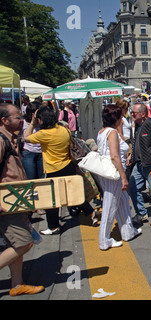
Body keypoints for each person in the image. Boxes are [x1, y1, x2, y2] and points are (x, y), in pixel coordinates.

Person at [23, 106, 98, 235]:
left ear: (41, 120)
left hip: (53, 169)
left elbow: (26, 137)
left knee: (51, 199)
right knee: (72, 193)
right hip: (68, 165)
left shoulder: (43, 134)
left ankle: (53, 227)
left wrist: (32, 122)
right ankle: (90, 211)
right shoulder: (64, 130)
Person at [0, 103, 44, 296]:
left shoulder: (11, 138)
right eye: (17, 117)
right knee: (24, 243)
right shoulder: (1, 140)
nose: (21, 120)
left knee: (14, 243)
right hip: (5, 203)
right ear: (4, 120)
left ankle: (17, 284)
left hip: (14, 200)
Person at [96, 104, 142, 250]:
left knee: (122, 202)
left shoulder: (103, 131)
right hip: (114, 173)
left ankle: (128, 231)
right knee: (110, 205)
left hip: (108, 173)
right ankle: (104, 240)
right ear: (115, 118)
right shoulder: (112, 133)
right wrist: (123, 176)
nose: (122, 119)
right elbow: (115, 156)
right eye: (120, 116)